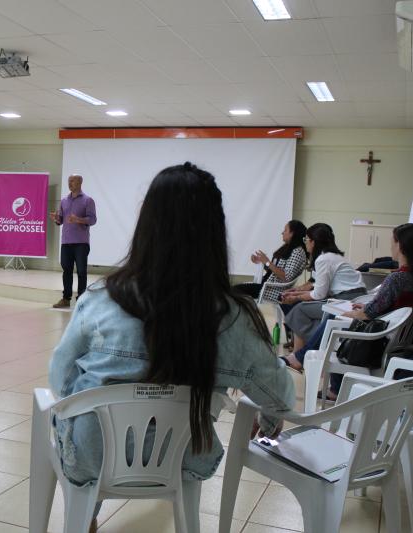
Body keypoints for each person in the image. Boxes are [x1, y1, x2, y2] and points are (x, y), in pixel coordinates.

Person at [49, 162, 294, 532]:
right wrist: (269, 420)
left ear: (146, 225)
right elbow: (281, 396)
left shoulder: (100, 298)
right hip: (184, 458)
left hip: (91, 456)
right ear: (214, 231)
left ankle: (87, 512)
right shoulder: (234, 318)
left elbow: (60, 375)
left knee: (90, 416)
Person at [283, 223, 413, 379]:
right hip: (398, 338)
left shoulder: (397, 278)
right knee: (337, 317)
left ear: (400, 245)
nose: (391, 246)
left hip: (378, 340)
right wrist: (365, 307)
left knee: (335, 318)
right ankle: (303, 359)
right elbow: (395, 307)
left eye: (393, 241)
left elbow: (367, 315)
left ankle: (303, 361)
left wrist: (352, 312)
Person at [281, 223, 366, 353]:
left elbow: (318, 294)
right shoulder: (333, 256)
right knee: (301, 309)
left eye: (306, 240)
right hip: (353, 298)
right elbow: (319, 287)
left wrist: (296, 297)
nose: (305, 243)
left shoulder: (323, 259)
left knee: (299, 310)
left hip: (346, 300)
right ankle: (306, 349)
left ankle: (309, 348)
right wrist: (298, 293)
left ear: (313, 242)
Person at [49, 174, 97, 309]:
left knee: (81, 271)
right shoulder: (64, 201)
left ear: (80, 182)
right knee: (67, 270)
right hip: (66, 242)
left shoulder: (88, 200)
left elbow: (93, 220)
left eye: (73, 181)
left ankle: (81, 299)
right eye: (69, 181)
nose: (70, 183)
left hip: (81, 243)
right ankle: (66, 299)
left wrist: (79, 220)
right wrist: (56, 219)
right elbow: (61, 221)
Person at [234, 220, 307, 302]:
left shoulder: (298, 252)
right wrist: (262, 262)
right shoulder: (288, 248)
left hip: (272, 290)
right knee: (234, 290)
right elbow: (274, 271)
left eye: (285, 230)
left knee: (234, 291)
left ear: (292, 233)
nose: (282, 233)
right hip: (266, 285)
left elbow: (287, 277)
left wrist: (267, 262)